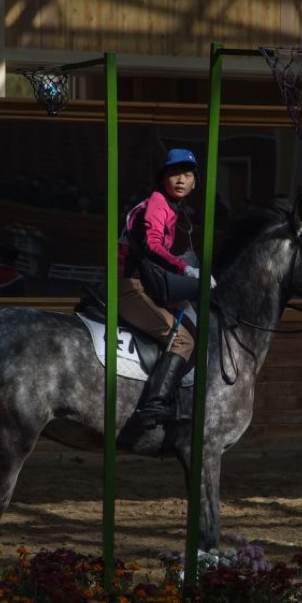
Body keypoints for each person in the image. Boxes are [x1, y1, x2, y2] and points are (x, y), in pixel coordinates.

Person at [117, 148, 204, 430]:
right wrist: (185, 269)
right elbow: (153, 245)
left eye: (187, 174)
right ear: (163, 179)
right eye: (175, 173)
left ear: (194, 182)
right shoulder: (157, 202)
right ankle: (153, 406)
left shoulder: (169, 208)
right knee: (183, 341)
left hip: (143, 285)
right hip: (128, 288)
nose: (181, 179)